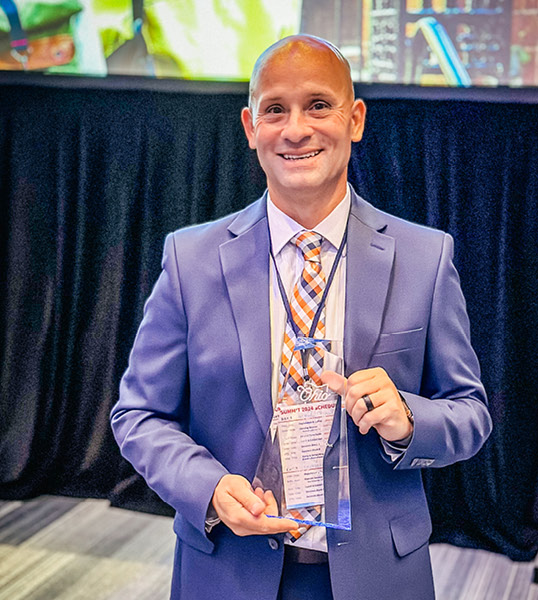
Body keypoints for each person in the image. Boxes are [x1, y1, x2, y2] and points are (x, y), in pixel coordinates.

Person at [109, 36, 492, 600]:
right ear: (249, 127)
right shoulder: (190, 259)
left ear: (355, 119)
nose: (295, 129)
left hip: (374, 573)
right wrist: (209, 488)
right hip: (228, 568)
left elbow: (471, 415)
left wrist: (409, 420)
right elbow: (138, 415)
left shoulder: (423, 257)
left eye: (318, 105)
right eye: (275, 110)